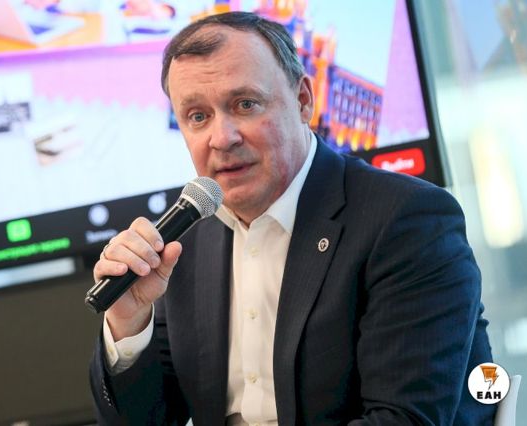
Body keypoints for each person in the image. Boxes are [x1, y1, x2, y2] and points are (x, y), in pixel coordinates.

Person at [89, 11, 495, 425]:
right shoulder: (184, 243)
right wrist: (128, 321)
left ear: (303, 100)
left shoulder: (406, 220)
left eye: (245, 104)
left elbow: (403, 419)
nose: (222, 138)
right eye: (197, 116)